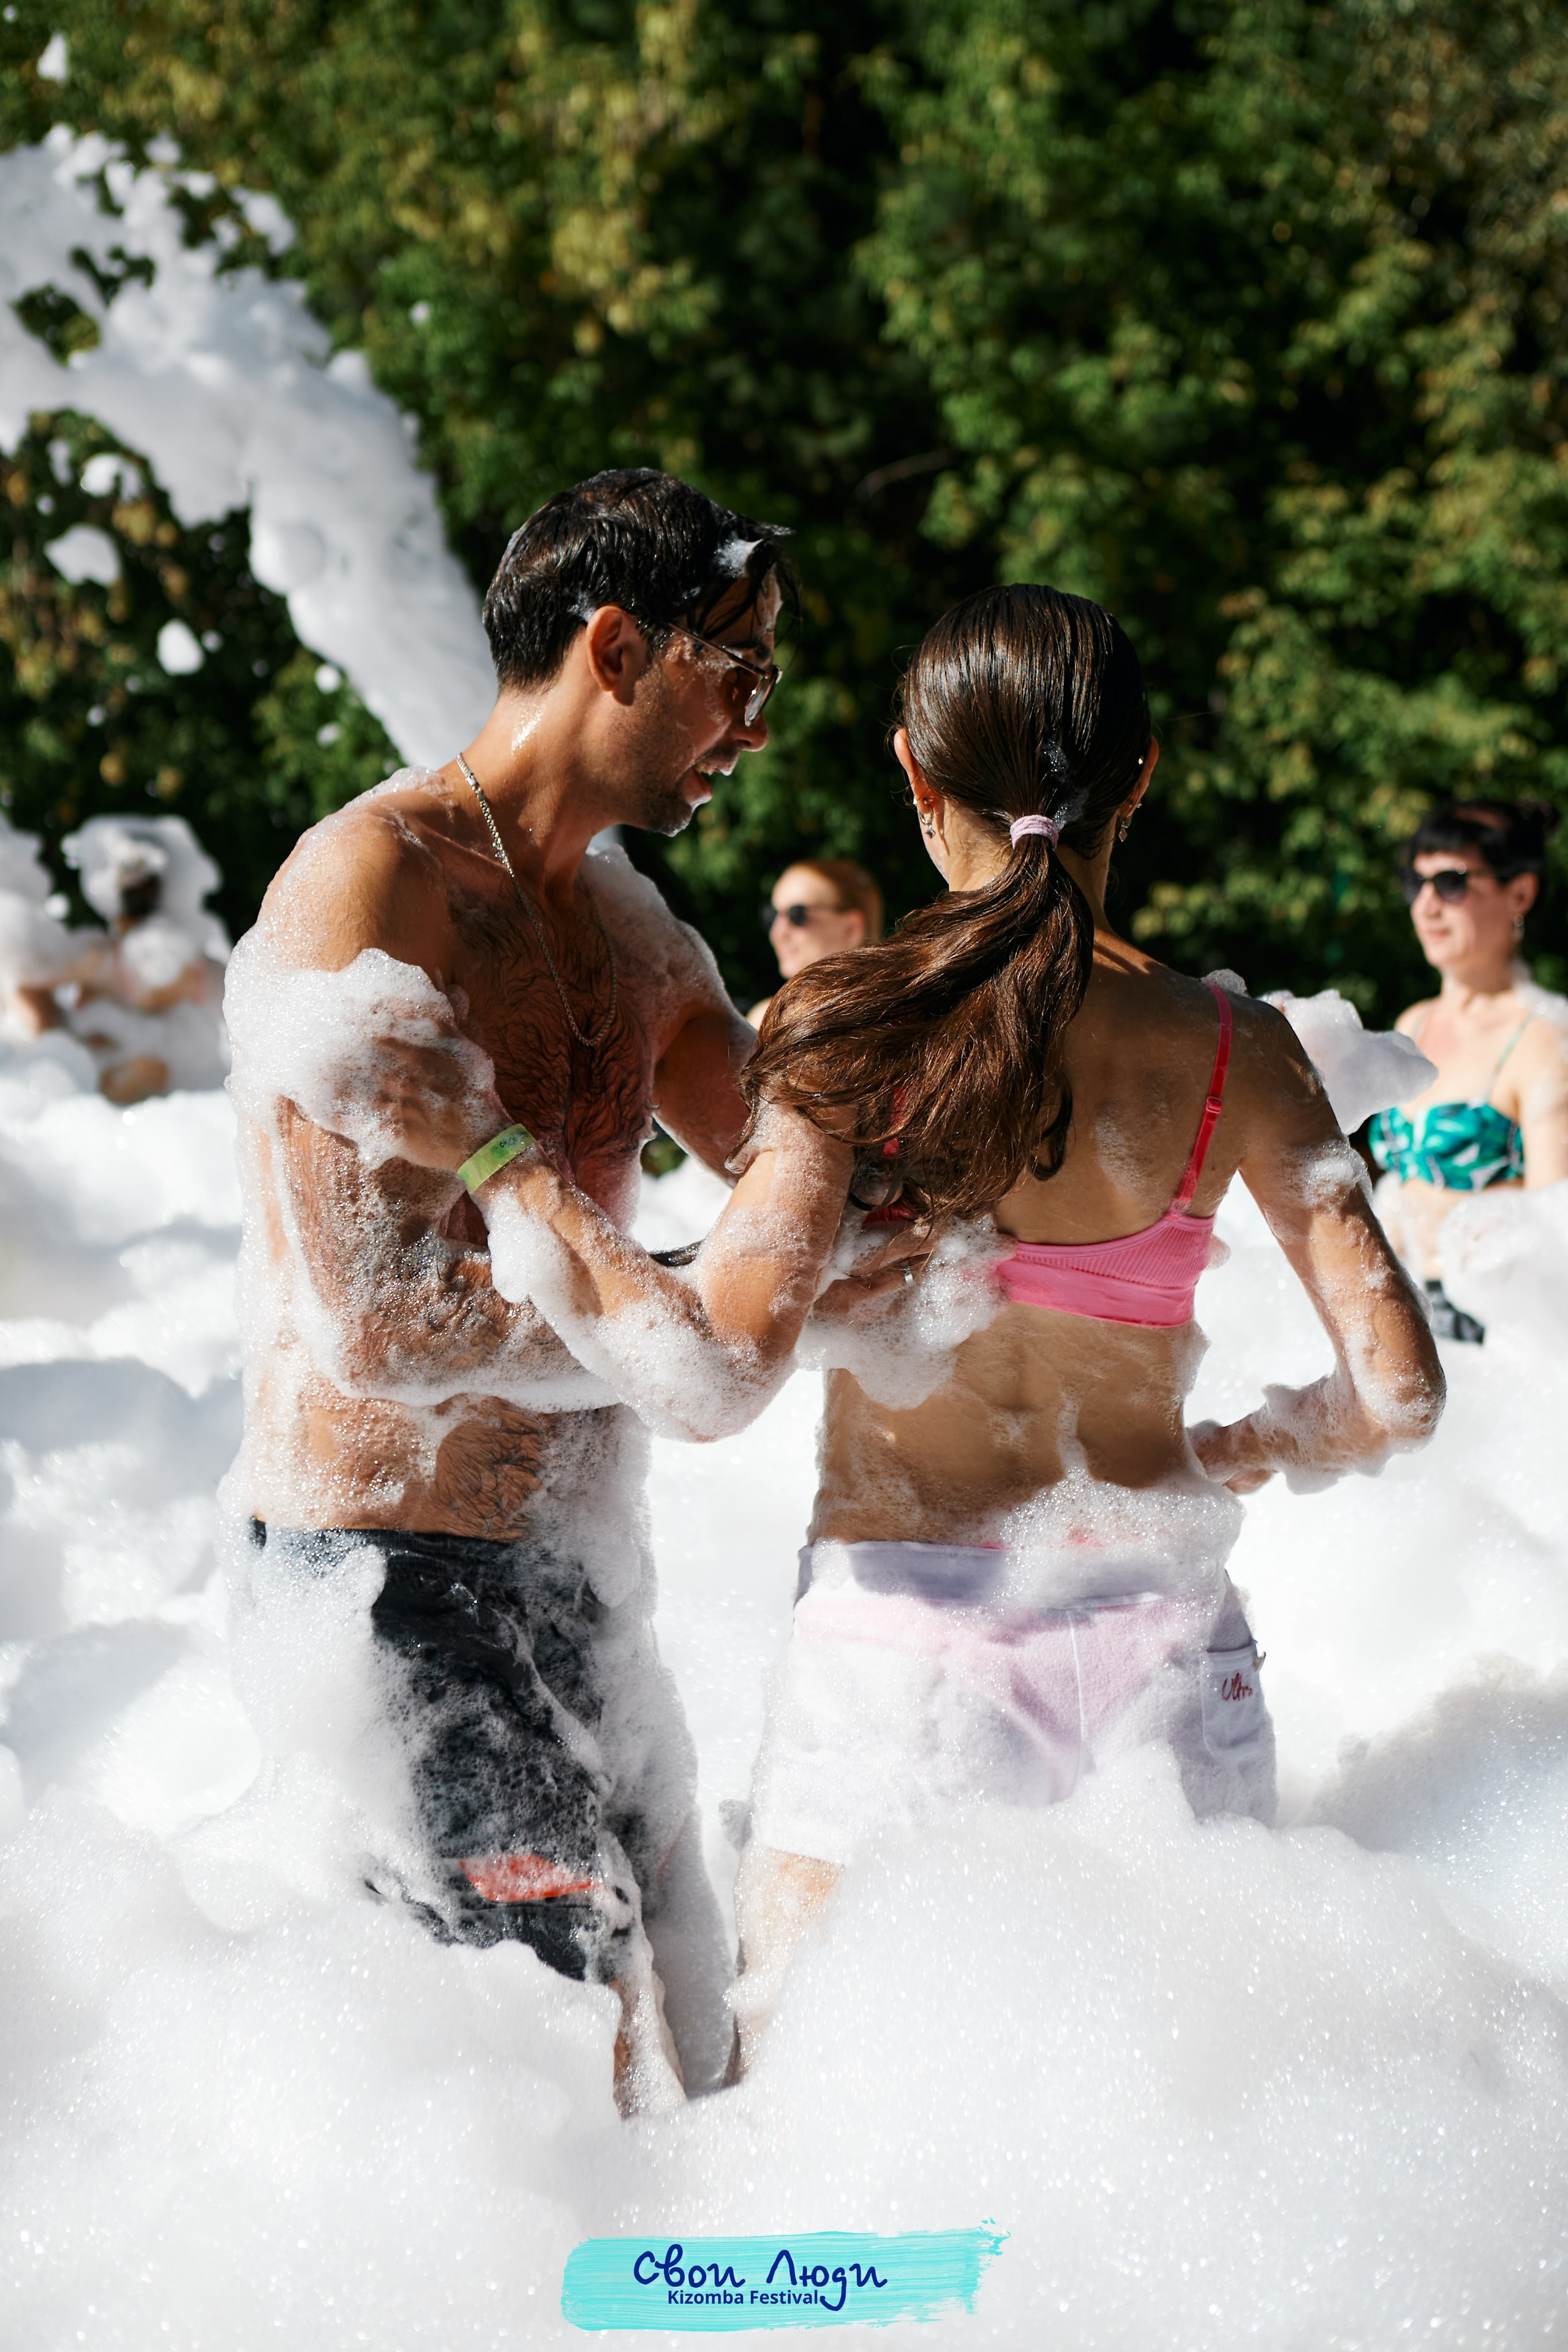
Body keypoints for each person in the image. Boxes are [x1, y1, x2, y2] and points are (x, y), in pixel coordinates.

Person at [379, 582, 1447, 2080]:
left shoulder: (843, 1020)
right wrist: (1249, 1446)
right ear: (1134, 777)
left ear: (911, 774)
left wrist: (505, 1167)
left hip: (904, 1667)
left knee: (828, 2172)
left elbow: (712, 1369)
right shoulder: (1236, 1046)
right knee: (1172, 2163)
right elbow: (1395, 1393)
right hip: (1165, 1652)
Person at [225, 467, 804, 2114]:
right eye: (736, 674)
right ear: (619, 647)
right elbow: (388, 1332)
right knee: (558, 2057)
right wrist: (691, 1322)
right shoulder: (373, 890)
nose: (752, 727)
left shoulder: (630, 934)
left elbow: (805, 1192)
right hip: (378, 1584)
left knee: (686, 2041)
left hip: (579, 1570)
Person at [1369, 801, 1568, 1343]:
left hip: (1497, 1334)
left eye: (1452, 882)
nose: (1427, 905)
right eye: (1417, 882)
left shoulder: (1546, 1037)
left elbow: (1559, 1235)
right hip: (1402, 1312)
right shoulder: (1414, 1022)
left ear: (1520, 893)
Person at [13, 815, 230, 1103]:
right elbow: (22, 983)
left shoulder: (105, 958)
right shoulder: (197, 967)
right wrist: (65, 1054)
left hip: (126, 1113)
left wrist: (63, 1051)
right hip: (149, 1108)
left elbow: (23, 981)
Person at [748, 856, 884, 1024]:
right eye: (772, 916)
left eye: (797, 915)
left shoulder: (889, 1015)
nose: (777, 933)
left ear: (851, 929)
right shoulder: (765, 1020)